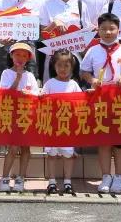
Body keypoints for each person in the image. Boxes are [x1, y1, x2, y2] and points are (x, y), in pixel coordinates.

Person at [79, 12, 121, 194]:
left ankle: (119, 177)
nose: (108, 32)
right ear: (98, 30)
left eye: (112, 28)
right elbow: (83, 71)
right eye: (103, 28)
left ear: (118, 30)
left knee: (120, 140)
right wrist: (92, 80)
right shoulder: (93, 50)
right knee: (104, 139)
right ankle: (106, 176)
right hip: (101, 101)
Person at [38, 0, 94, 80]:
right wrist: (54, 24)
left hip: (76, 59)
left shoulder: (81, 5)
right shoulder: (46, 5)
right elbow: (42, 35)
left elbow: (87, 35)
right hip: (53, 59)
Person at [0, 42, 39, 191]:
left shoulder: (30, 76)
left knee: (26, 148)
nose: (20, 58)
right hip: (12, 115)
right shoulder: (6, 73)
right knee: (13, 148)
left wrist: (28, 94)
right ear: (11, 56)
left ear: (28, 58)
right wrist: (18, 78)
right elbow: (6, 93)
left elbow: (36, 95)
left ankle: (21, 178)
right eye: (17, 55)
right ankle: (4, 178)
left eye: (24, 55)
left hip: (27, 116)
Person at [41, 50, 81, 195]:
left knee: (68, 154)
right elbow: (42, 100)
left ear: (72, 67)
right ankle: (52, 182)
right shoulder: (49, 83)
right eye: (59, 65)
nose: (63, 69)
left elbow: (80, 102)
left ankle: (67, 181)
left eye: (66, 65)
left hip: (67, 125)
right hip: (52, 125)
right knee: (52, 154)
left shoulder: (73, 85)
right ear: (54, 66)